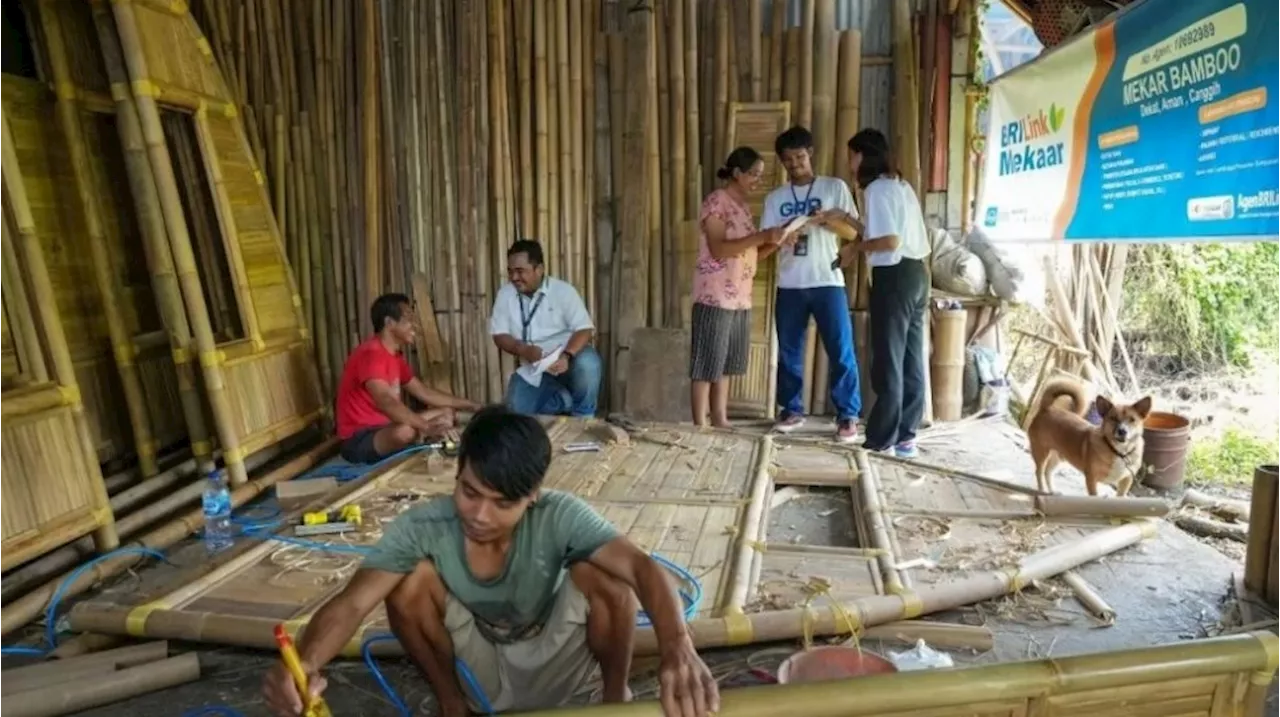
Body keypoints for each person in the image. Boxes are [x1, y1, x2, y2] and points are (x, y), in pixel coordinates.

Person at [262, 405, 720, 717]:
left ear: (533, 496)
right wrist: (305, 665)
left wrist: (677, 646)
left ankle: (613, 696)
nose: (479, 515)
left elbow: (642, 568)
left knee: (605, 572)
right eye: (469, 492)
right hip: (478, 653)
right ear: (457, 472)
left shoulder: (560, 515)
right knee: (406, 583)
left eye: (502, 503)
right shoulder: (424, 526)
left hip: (556, 653)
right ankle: (452, 707)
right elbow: (352, 603)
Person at [759, 125, 863, 443]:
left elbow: (854, 234)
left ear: (811, 153)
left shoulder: (834, 188)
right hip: (790, 282)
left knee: (840, 349)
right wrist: (781, 238)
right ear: (781, 162)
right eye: (788, 160)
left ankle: (847, 416)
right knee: (789, 351)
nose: (795, 164)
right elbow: (767, 238)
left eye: (800, 157)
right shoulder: (775, 198)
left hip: (827, 281)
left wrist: (827, 221)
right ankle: (791, 410)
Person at [835, 128, 932, 458]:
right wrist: (848, 220)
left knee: (888, 359)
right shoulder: (899, 185)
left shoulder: (876, 189)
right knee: (910, 357)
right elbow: (887, 233)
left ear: (863, 155)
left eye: (852, 155)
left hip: (895, 276)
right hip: (918, 273)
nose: (849, 162)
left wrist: (854, 249)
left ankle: (882, 439)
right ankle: (906, 435)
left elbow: (889, 241)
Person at [690, 147, 803, 428]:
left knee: (726, 363)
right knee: (706, 364)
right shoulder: (717, 201)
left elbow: (750, 253)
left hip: (740, 296)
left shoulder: (741, 209)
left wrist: (775, 241)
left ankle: (720, 419)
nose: (758, 180)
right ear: (737, 173)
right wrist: (763, 235)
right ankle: (700, 425)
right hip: (714, 294)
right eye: (753, 174)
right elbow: (718, 249)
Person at [335, 293, 481, 464]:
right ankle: (424, 438)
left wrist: (472, 405)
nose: (415, 325)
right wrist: (426, 426)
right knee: (406, 431)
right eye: (409, 319)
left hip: (385, 428)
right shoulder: (371, 355)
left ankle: (426, 438)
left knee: (446, 412)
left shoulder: (394, 357)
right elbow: (385, 401)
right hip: (358, 439)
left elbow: (424, 393)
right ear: (389, 323)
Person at [489, 240, 602, 417]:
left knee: (588, 362)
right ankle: (563, 400)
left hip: (568, 362)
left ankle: (583, 416)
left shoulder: (563, 291)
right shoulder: (505, 294)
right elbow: (499, 335)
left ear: (539, 269)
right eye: (510, 271)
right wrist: (524, 350)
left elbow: (584, 329)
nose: (514, 278)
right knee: (514, 415)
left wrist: (566, 355)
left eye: (520, 271)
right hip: (533, 368)